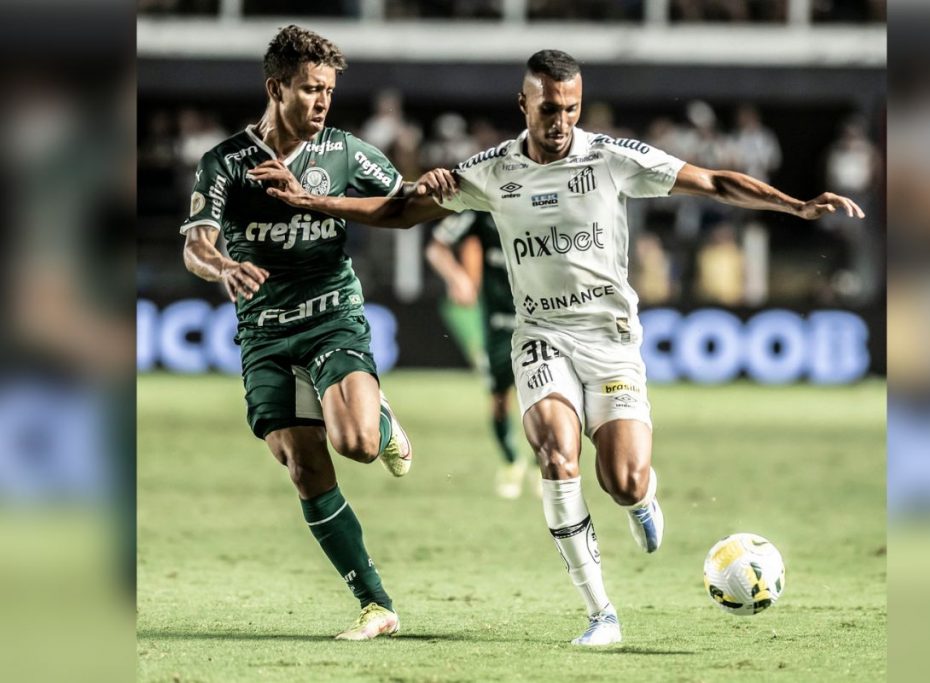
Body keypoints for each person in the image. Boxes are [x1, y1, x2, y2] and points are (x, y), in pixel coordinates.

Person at [249, 49, 865, 646]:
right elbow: (401, 210)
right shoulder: (492, 169)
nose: (560, 121)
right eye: (548, 108)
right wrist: (316, 202)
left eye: (570, 108)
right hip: (541, 337)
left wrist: (794, 204)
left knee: (621, 479)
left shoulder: (612, 158)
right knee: (556, 455)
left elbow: (712, 181)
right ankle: (601, 613)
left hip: (611, 342)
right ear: (525, 104)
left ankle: (642, 497)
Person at [180, 25, 414, 641]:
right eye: (310, 89)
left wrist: (432, 190)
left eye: (328, 91)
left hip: (331, 313)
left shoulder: (345, 154)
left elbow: (405, 206)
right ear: (275, 87)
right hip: (264, 333)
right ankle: (376, 606)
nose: (321, 102)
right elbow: (197, 244)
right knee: (303, 468)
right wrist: (223, 266)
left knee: (359, 444)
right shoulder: (226, 162)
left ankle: (383, 423)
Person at [426, 210, 540, 499]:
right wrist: (458, 279)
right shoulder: (483, 205)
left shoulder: (546, 196)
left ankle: (544, 467)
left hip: (542, 322)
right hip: (499, 324)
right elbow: (437, 247)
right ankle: (512, 462)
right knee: (500, 400)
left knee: (545, 398)